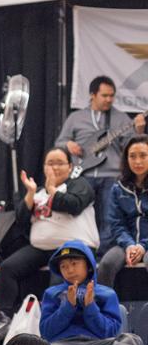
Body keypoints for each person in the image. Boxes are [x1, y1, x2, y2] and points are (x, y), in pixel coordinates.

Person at [0, 148, 100, 313]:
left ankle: (54, 318)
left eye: (60, 163)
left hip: (73, 247)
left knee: (58, 279)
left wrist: (52, 189)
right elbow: (21, 220)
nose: (55, 168)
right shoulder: (38, 193)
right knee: (8, 268)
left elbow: (73, 206)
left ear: (70, 167)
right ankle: (6, 317)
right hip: (41, 248)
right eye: (50, 163)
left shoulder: (80, 184)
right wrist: (30, 193)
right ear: (44, 168)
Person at [55, 75, 146, 251]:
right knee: (80, 218)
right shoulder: (76, 117)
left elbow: (132, 148)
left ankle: (102, 257)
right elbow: (59, 142)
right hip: (83, 175)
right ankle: (82, 253)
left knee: (108, 219)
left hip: (111, 175)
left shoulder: (121, 118)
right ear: (92, 95)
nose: (109, 99)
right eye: (104, 95)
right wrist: (68, 144)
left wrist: (139, 130)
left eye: (112, 95)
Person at [39, 241, 143, 345]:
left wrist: (90, 307)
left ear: (88, 265)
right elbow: (47, 333)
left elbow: (109, 332)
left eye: (74, 263)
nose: (69, 270)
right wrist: (68, 306)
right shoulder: (52, 293)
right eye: (64, 266)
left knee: (134, 340)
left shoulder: (106, 293)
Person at [96, 135, 148, 286]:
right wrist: (130, 245)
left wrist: (143, 246)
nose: (137, 161)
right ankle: (105, 308)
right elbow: (116, 224)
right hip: (126, 244)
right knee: (106, 264)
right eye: (132, 156)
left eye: (143, 155)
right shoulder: (118, 188)